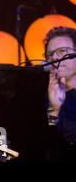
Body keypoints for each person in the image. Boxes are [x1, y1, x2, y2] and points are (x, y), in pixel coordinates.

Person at [44, 26, 76, 160]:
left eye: (62, 51)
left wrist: (57, 109)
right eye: (50, 54)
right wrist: (54, 110)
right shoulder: (47, 94)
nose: (55, 58)